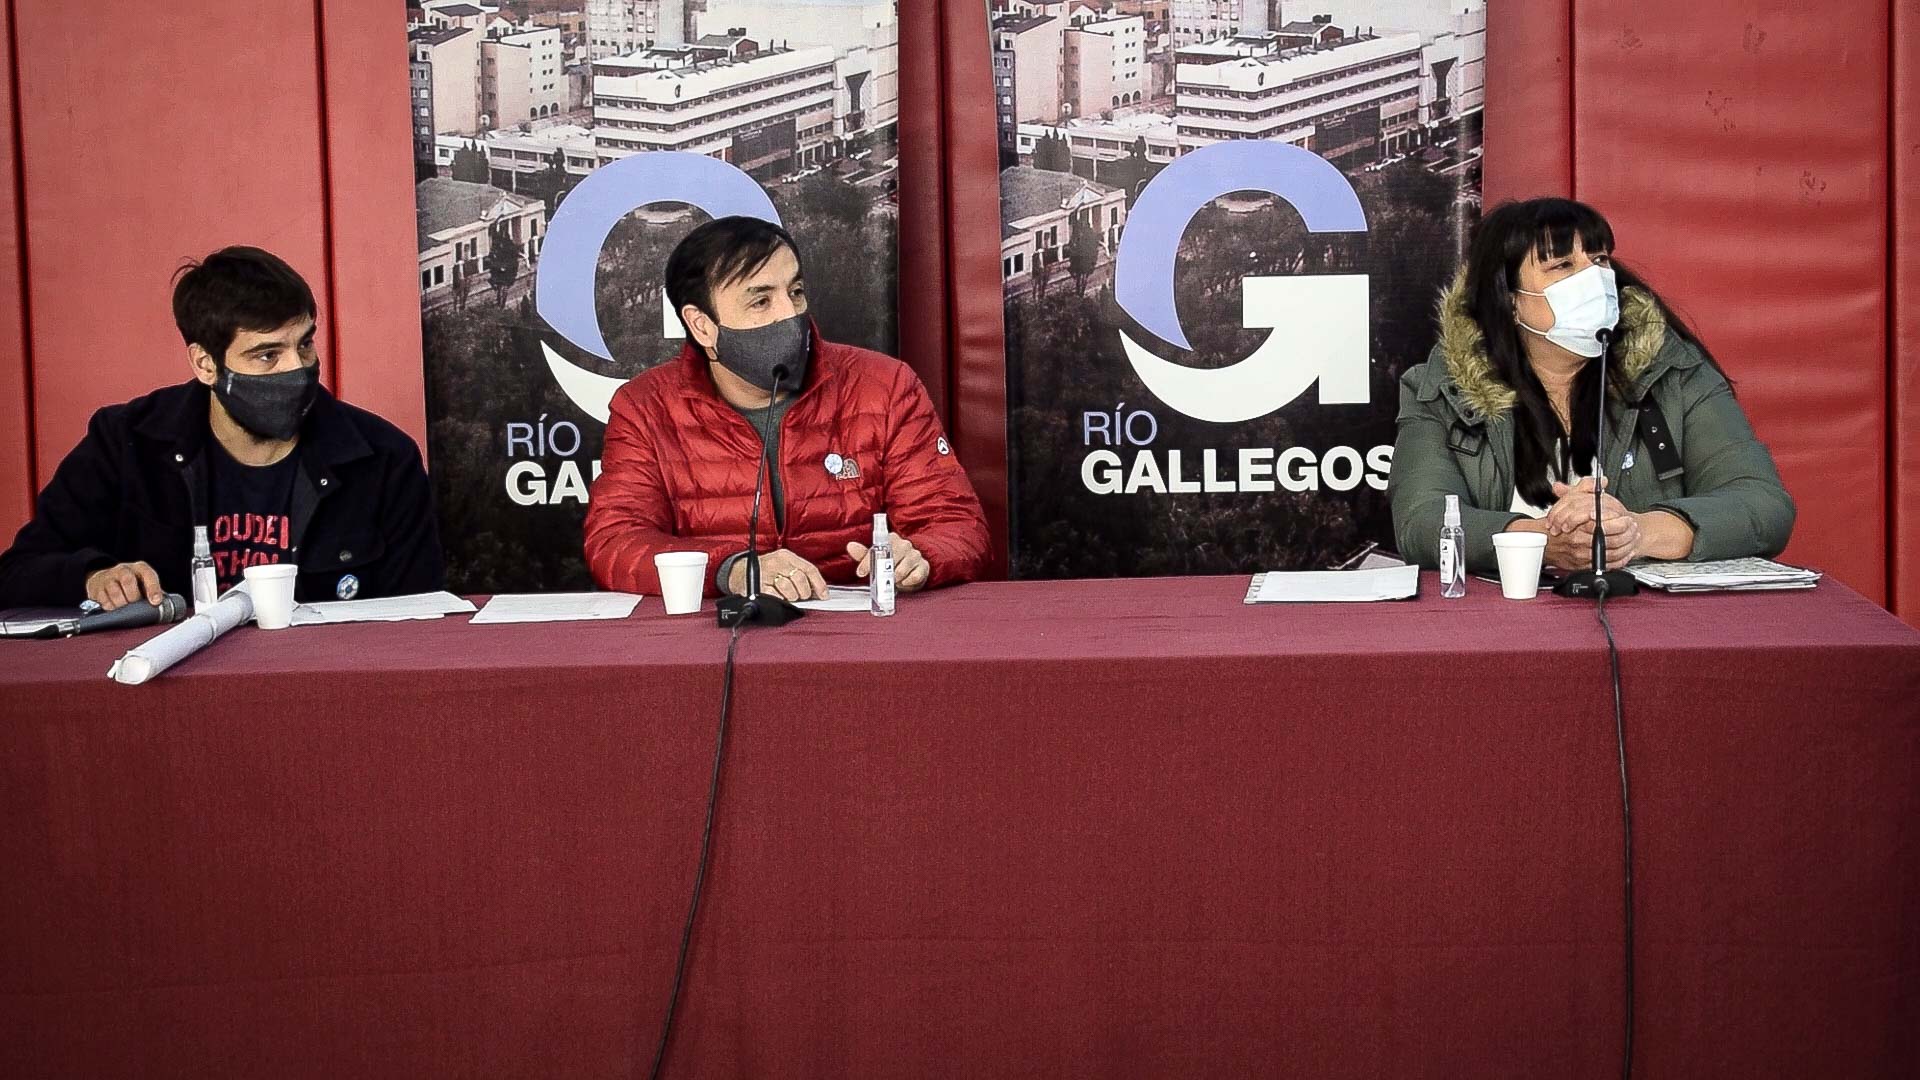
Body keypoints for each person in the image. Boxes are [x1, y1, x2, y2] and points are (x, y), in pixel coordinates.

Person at [0, 246, 444, 610]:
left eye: (305, 344)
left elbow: (419, 622)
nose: (297, 368)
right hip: (161, 686)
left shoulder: (383, 459)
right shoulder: (126, 443)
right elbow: (16, 573)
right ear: (205, 364)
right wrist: (92, 575)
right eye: (267, 355)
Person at [586, 216, 991, 601]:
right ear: (702, 325)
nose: (790, 314)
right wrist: (732, 571)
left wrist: (921, 556)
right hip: (720, 635)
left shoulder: (885, 386)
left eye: (795, 292)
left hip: (866, 630)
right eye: (761, 301)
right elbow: (615, 541)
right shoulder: (645, 407)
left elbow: (957, 526)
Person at [1390, 198, 1794, 573]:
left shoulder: (1674, 372)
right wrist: (1545, 541)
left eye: (1599, 259)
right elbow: (1420, 522)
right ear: (1510, 299)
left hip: (1648, 618)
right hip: (1503, 619)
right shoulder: (1442, 389)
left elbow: (1763, 504)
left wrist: (1636, 533)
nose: (1594, 278)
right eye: (1563, 265)